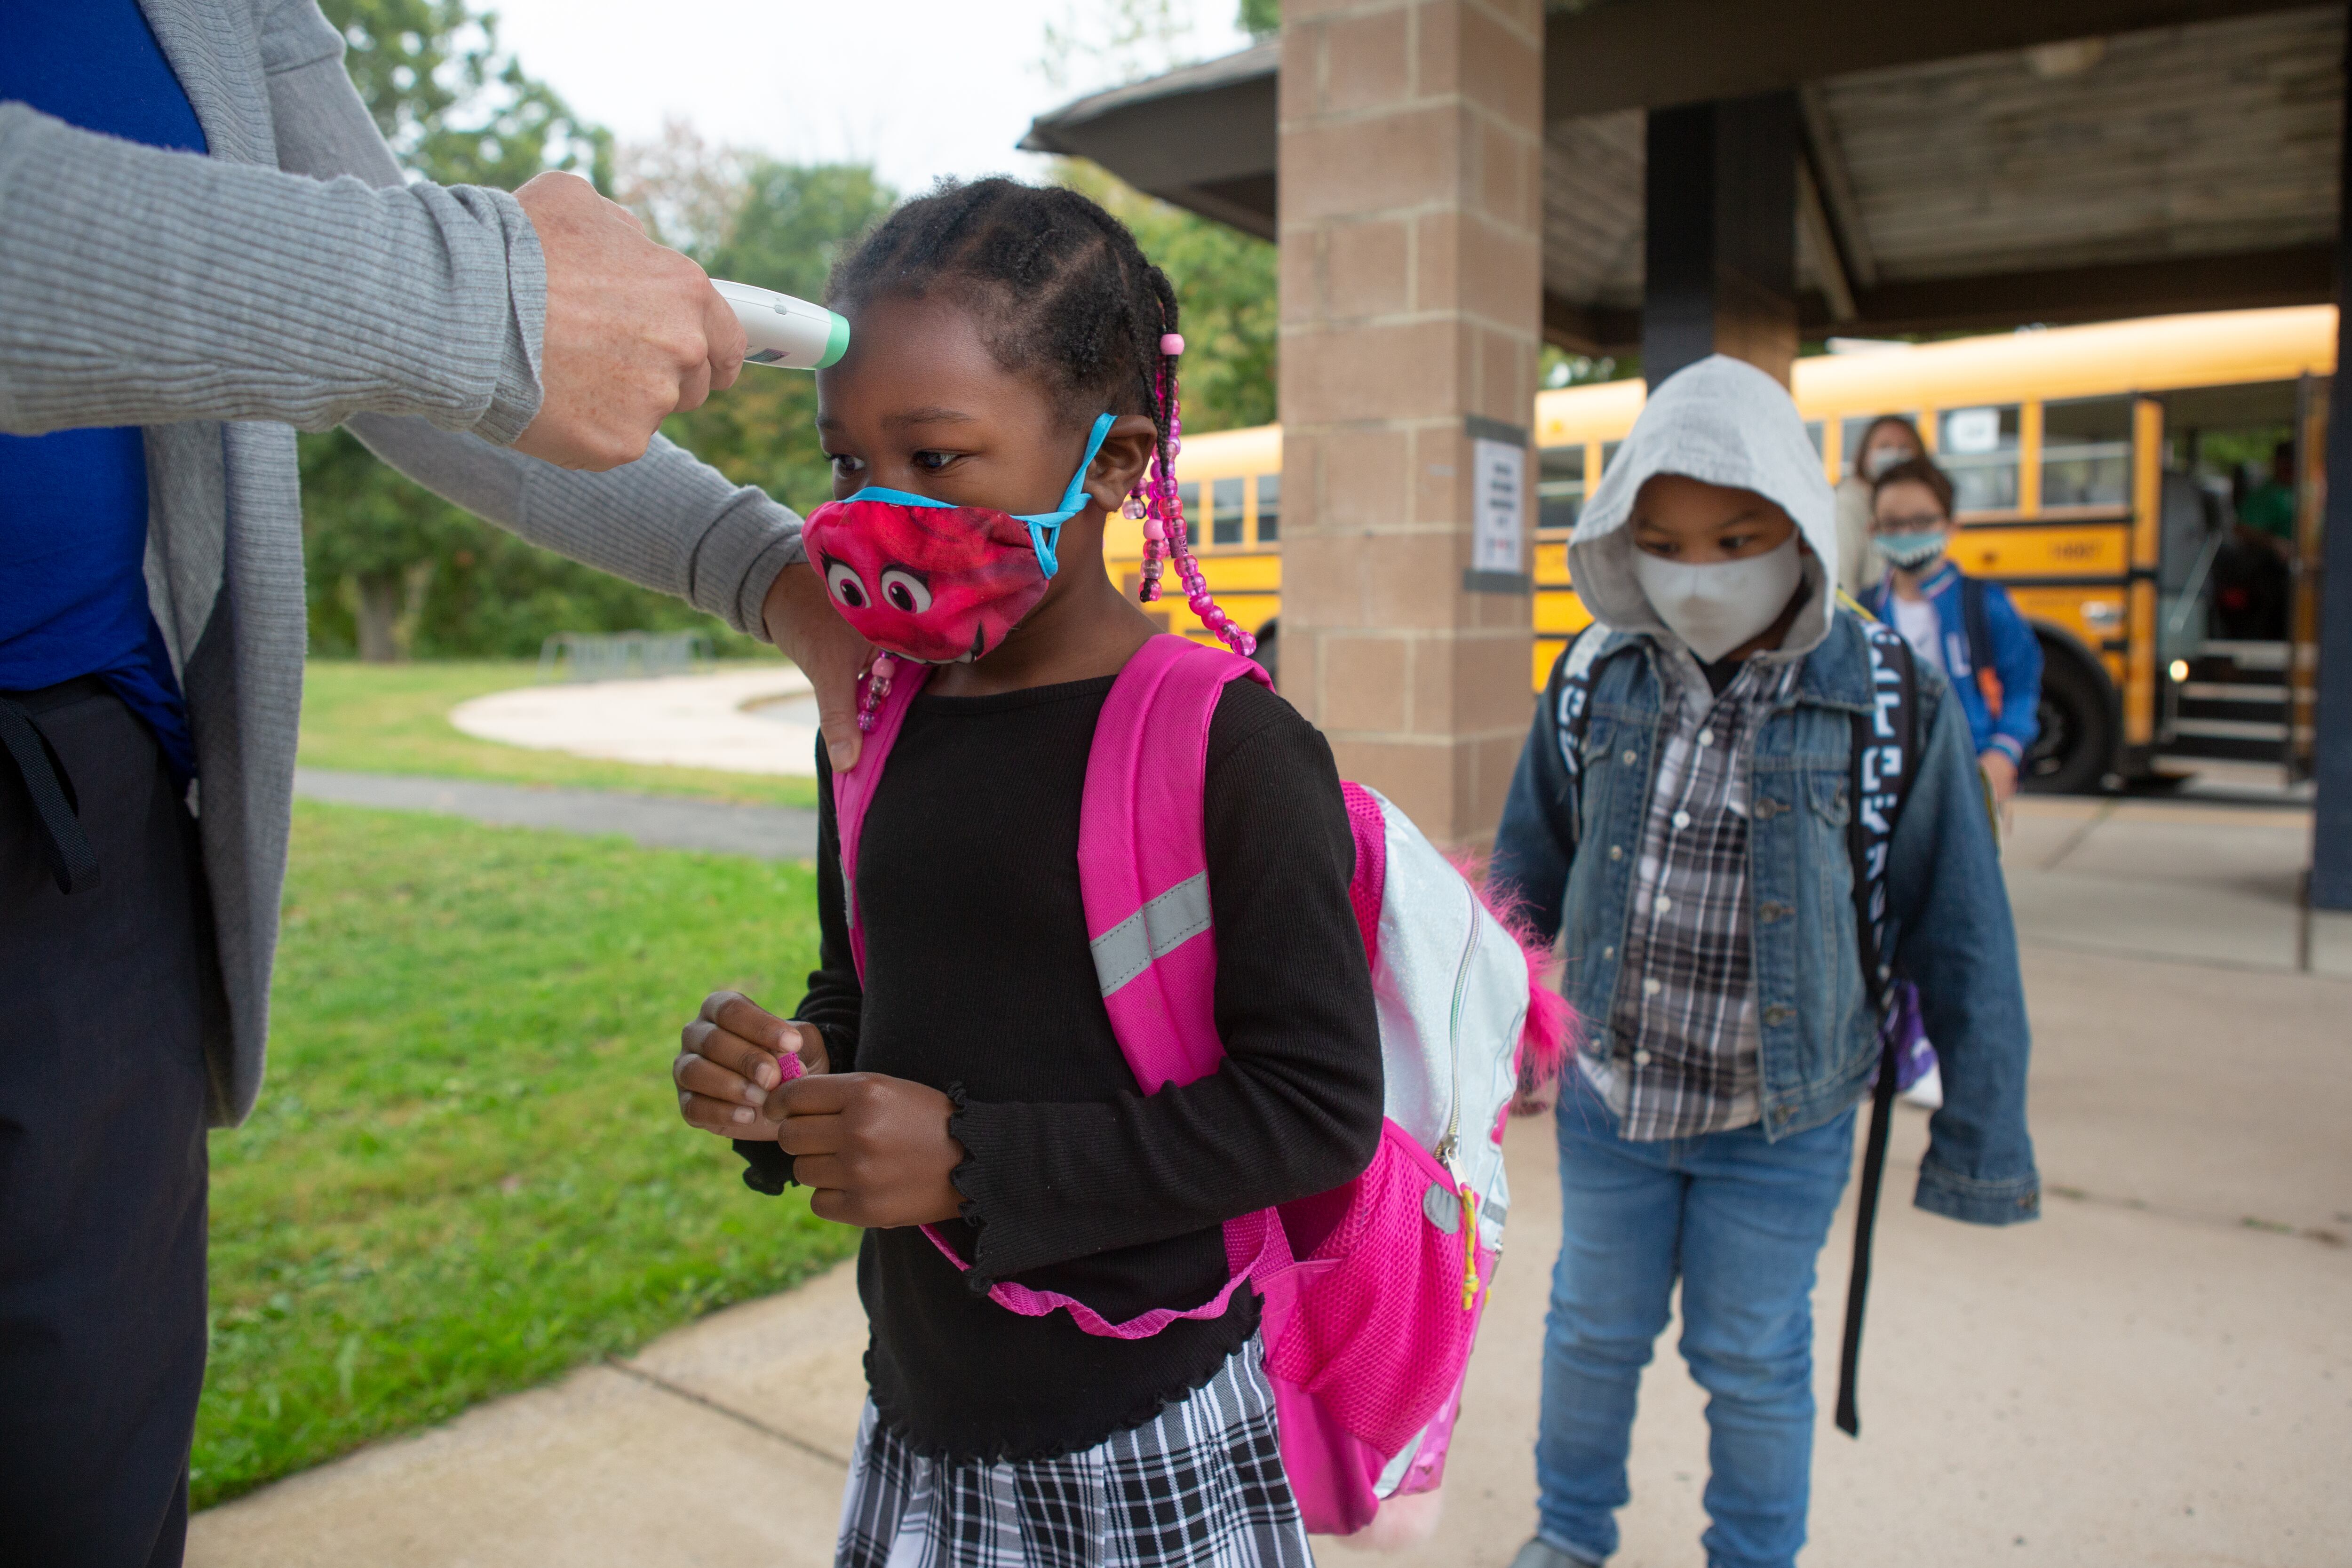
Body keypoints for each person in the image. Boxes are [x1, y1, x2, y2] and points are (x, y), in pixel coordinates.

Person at [0, 6, 866, 1562]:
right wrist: (469, 288)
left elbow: (430, 367)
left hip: (83, 817)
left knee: (76, 1485)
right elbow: (435, 311)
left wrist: (774, 577)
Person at [667, 180, 1383, 1567]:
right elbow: (867, 995)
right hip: (923, 1407)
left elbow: (1312, 1112)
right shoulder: (879, 716)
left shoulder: (1231, 744)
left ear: (1113, 463)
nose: (875, 514)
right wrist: (792, 1076)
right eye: (845, 464)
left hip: (1141, 1425)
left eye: (935, 461)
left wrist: (969, 1162)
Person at [1489, 357, 2039, 1568]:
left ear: (1799, 521)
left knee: (1750, 1355)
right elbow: (1524, 874)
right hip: (1614, 1099)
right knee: (1589, 1329)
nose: (1700, 571)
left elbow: (1960, 923)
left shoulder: (1891, 697)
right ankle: (1569, 1536)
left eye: (1736, 535)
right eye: (1666, 540)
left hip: (1779, 1117)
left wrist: (1981, 1136)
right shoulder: (1590, 679)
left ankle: (1751, 1555)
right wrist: (1493, 1046)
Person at [1857, 456, 2043, 809]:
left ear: (1950, 525)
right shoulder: (1862, 612)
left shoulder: (1985, 603)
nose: (1907, 533)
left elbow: (2023, 683)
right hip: (1884, 790)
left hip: (1971, 778)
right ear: (1873, 530)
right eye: (1892, 524)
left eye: (1923, 521)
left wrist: (2004, 752)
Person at [1833, 415, 1924, 599]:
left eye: (1904, 448)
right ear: (1864, 455)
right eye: (1884, 447)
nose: (1895, 455)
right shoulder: (1848, 504)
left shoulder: (1916, 505)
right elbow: (1842, 585)